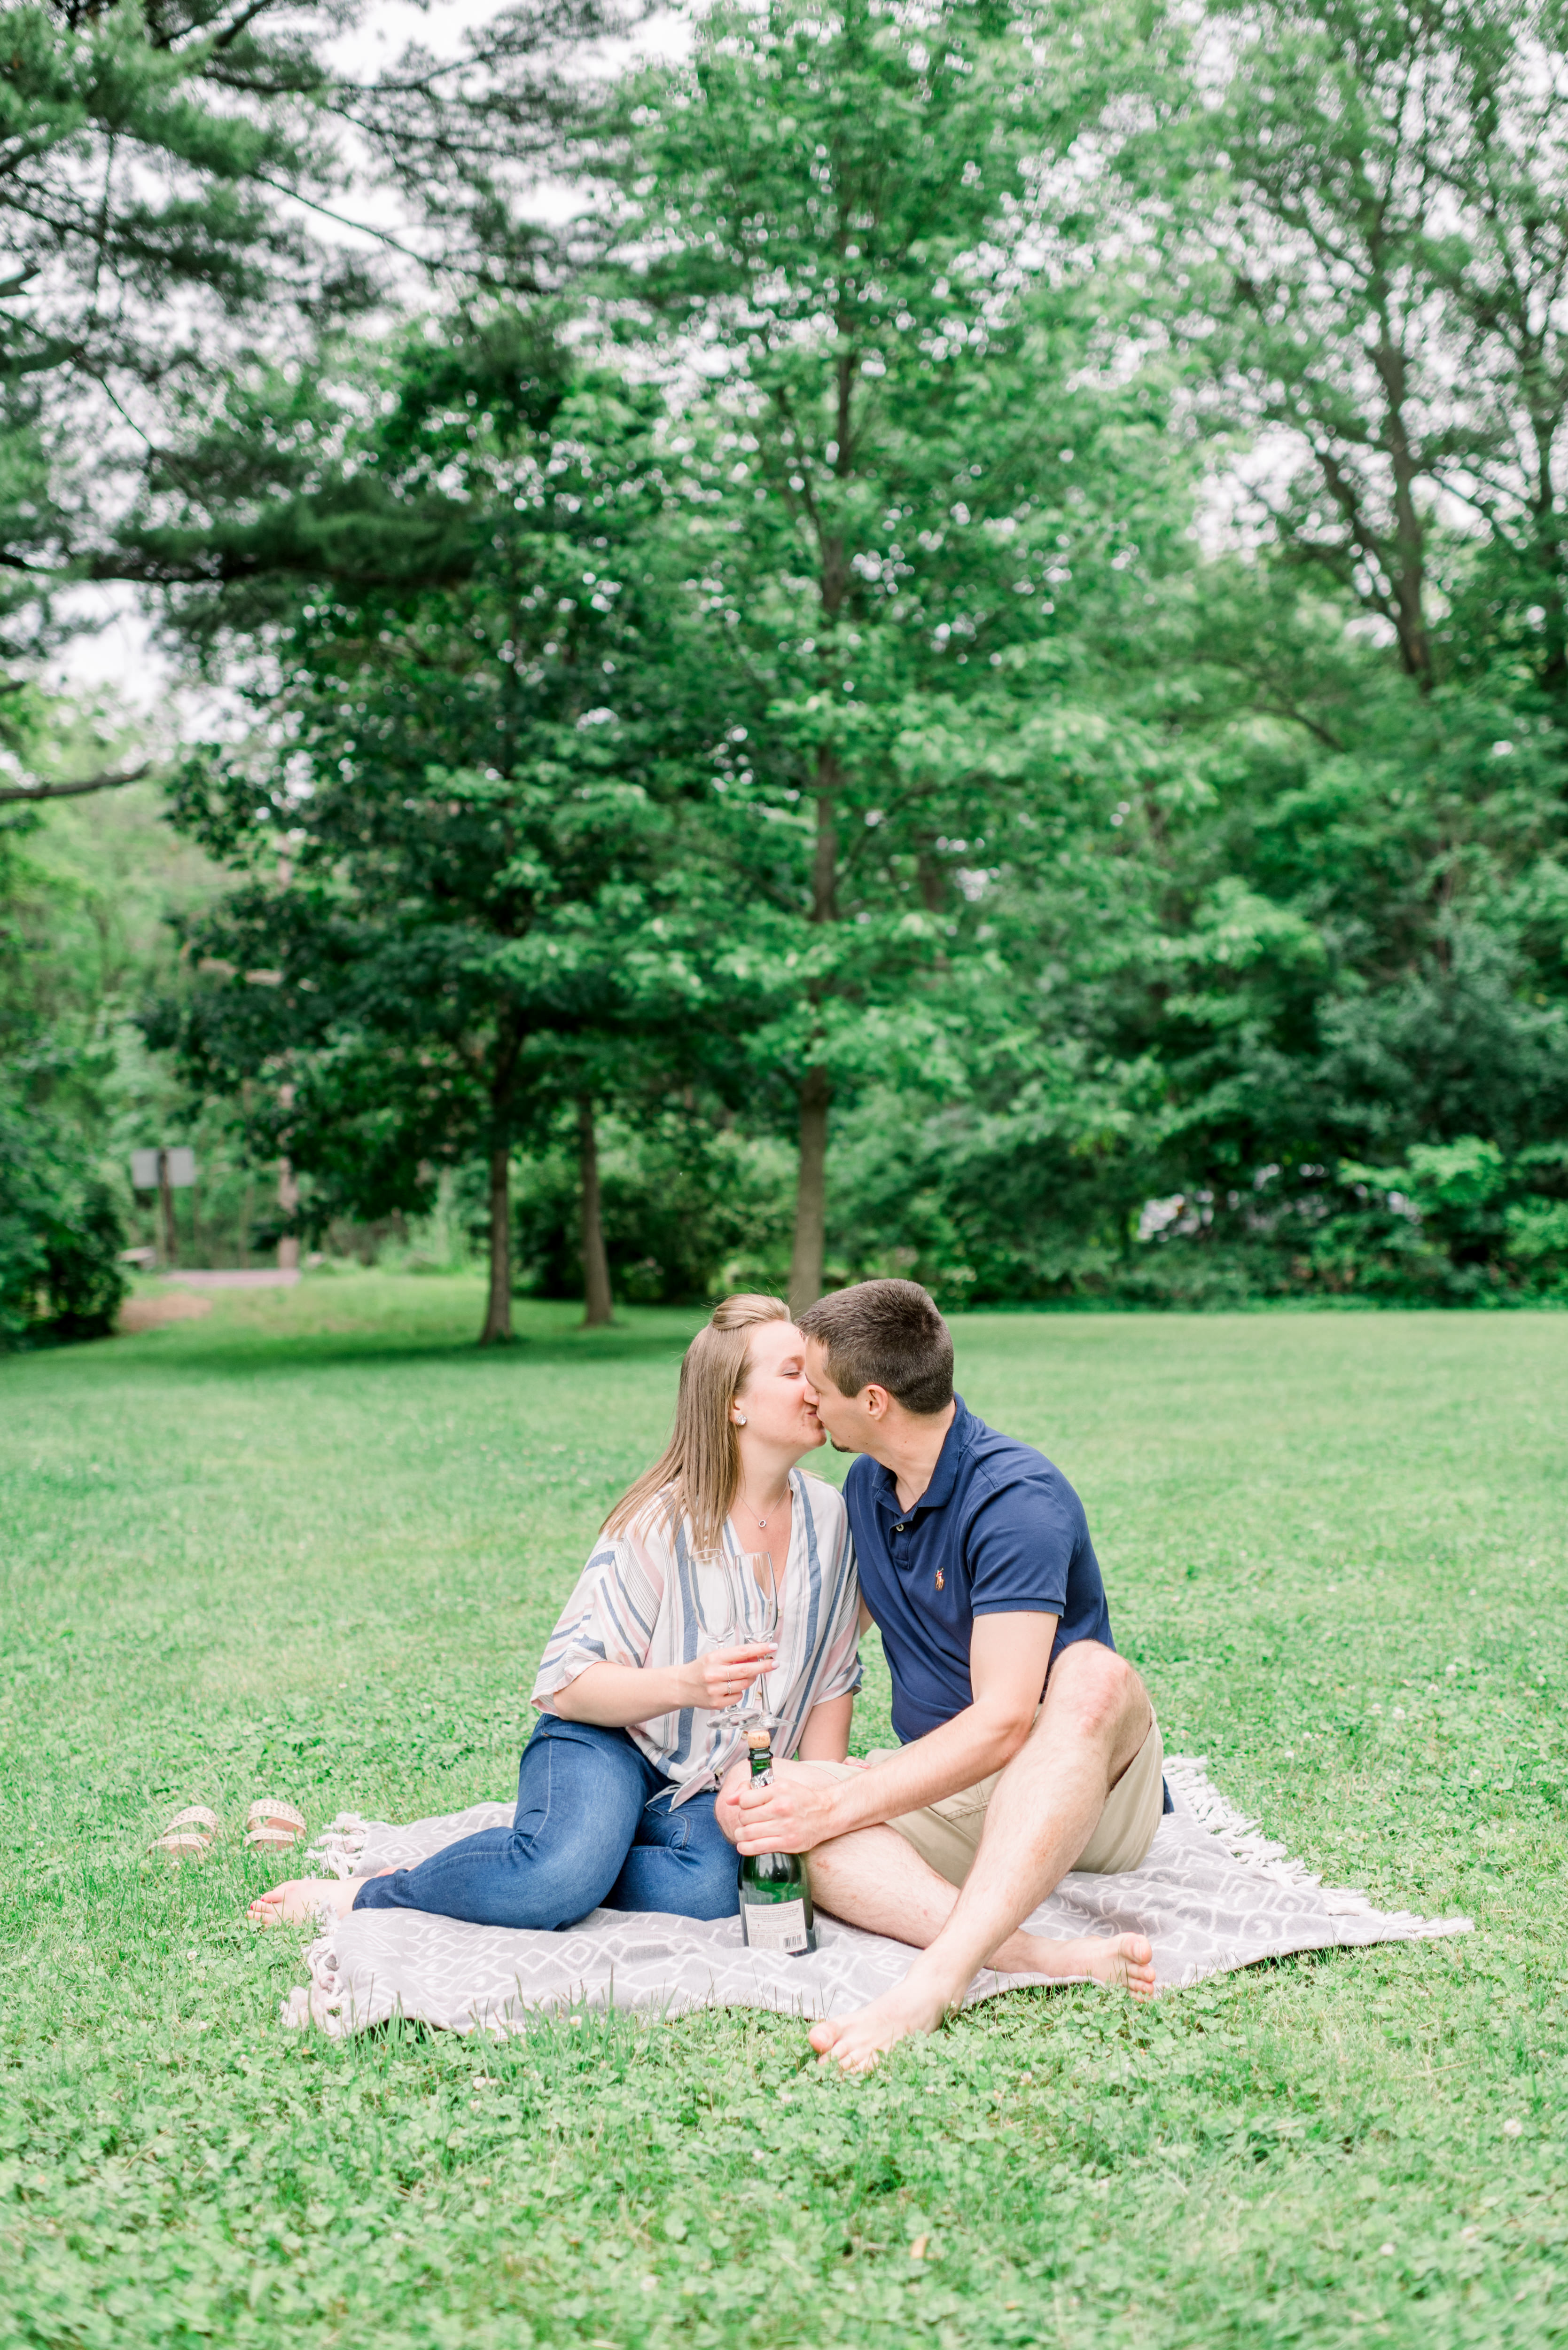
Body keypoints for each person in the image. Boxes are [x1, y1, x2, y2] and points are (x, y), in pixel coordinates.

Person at [250, 1295, 861, 1929]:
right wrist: (686, 1683)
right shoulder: (659, 1520)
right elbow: (567, 1684)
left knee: (713, 1888)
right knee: (553, 1880)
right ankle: (372, 1893)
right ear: (732, 1403)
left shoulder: (830, 1517)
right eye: (792, 1374)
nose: (815, 1388)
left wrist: (807, 1786)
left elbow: (833, 1674)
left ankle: (562, 1853)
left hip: (713, 1781)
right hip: (608, 1739)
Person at [722, 1278, 1161, 2069]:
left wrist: (847, 1797)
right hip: (955, 1792)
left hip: (1078, 1784)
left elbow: (1004, 1722)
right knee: (781, 1817)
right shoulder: (866, 1487)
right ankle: (1034, 1955)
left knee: (1091, 1673)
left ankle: (937, 1982)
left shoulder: (1017, 1500)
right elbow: (821, 1636)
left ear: (876, 1401)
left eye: (818, 1391)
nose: (810, 1406)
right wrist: (802, 1785)